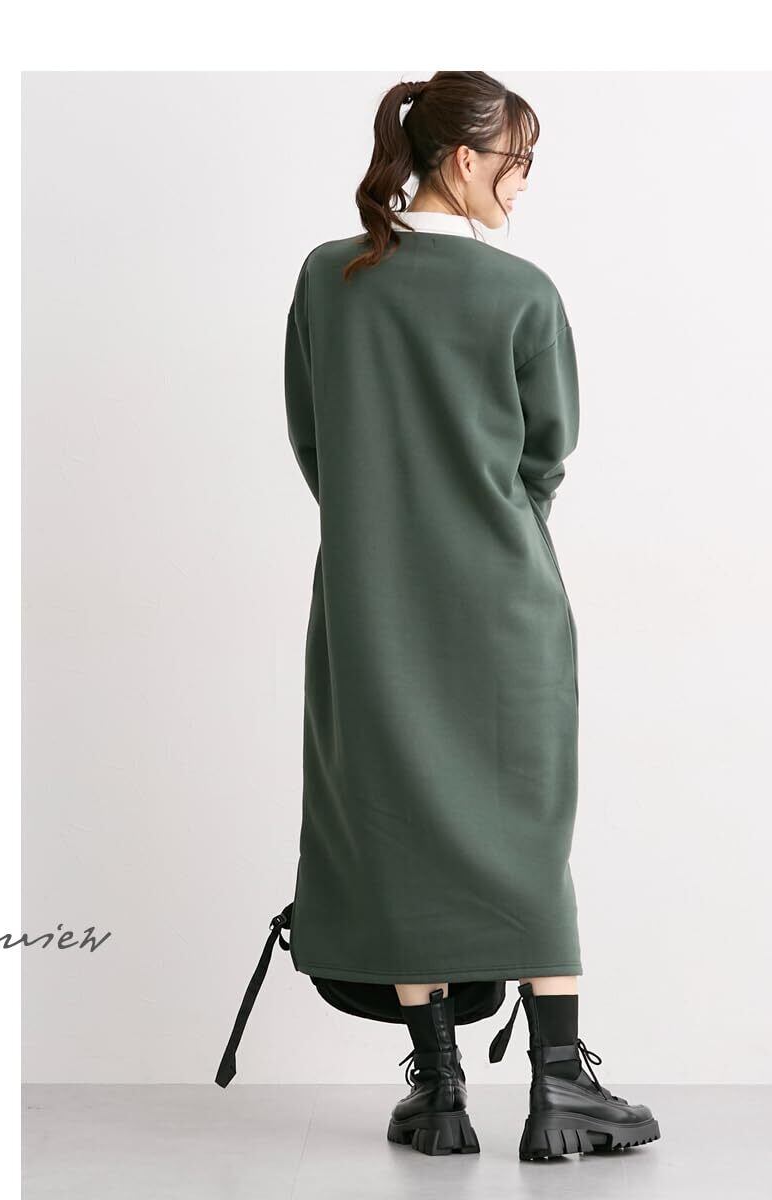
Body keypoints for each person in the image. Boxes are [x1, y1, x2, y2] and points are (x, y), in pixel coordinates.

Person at [216, 70, 660, 1163]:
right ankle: (562, 1087)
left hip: (369, 600)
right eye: (519, 160)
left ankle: (442, 1092)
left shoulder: (329, 279)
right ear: (465, 160)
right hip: (505, 602)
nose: (524, 182)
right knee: (528, 824)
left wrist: (383, 528)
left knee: (391, 814)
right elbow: (545, 457)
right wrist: (481, 526)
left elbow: (314, 439)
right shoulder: (522, 293)